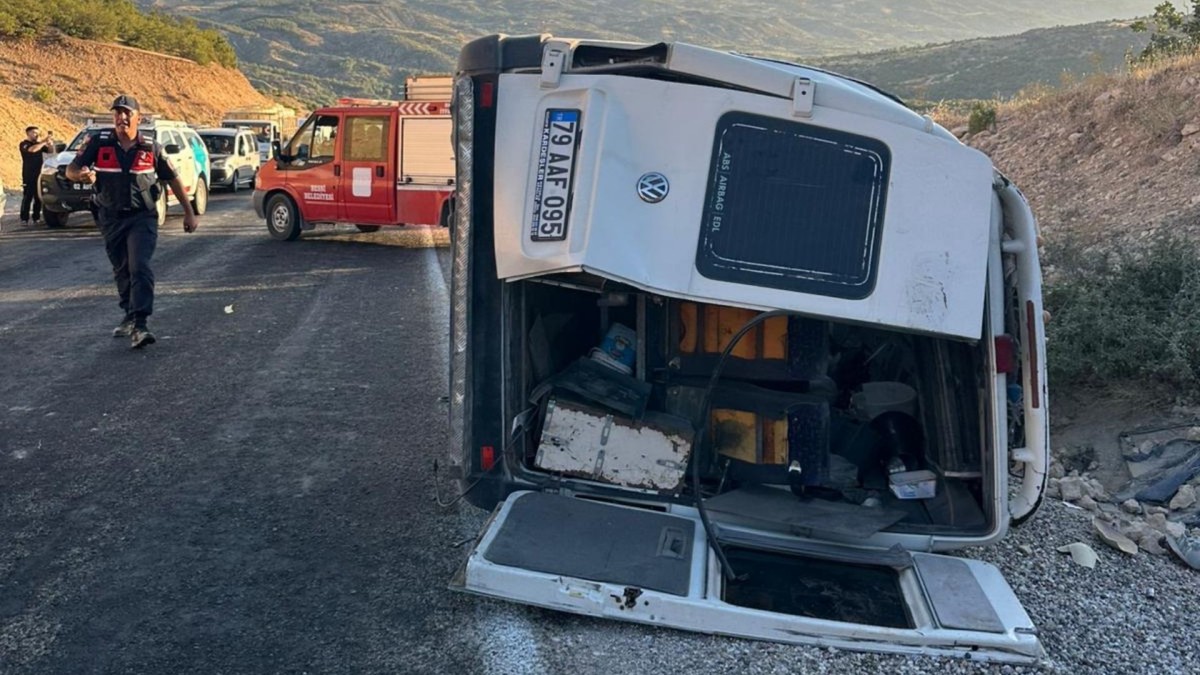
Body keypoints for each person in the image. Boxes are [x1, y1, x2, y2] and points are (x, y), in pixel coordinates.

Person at [66, 95, 199, 349]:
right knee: (122, 268)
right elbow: (72, 169)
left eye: (127, 113)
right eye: (117, 113)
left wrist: (189, 212)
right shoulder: (98, 143)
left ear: (138, 117)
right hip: (111, 217)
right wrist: (80, 174)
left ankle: (141, 323)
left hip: (142, 217)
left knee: (140, 266)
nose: (121, 118)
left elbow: (172, 179)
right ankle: (128, 311)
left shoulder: (150, 147)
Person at [18, 125, 55, 225]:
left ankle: (36, 218)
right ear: (28, 133)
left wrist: (50, 144)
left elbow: (50, 151)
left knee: (38, 197)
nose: (36, 134)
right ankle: (24, 218)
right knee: (27, 197)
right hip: (28, 174)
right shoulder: (24, 144)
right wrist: (43, 142)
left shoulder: (39, 144)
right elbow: (32, 150)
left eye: (37, 132)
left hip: (39, 173)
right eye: (34, 132)